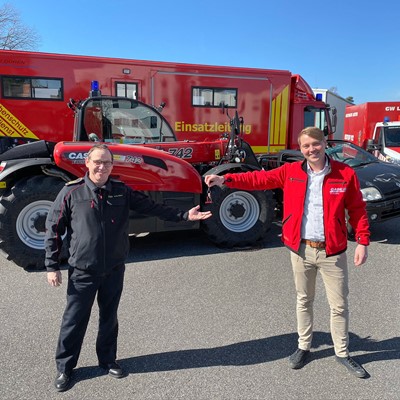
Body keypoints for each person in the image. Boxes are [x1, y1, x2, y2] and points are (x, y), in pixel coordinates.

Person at [205, 127, 370, 378]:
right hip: (301, 250)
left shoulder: (344, 174)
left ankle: (342, 352)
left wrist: (363, 241)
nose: (311, 149)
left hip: (332, 251)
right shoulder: (291, 172)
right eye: (306, 146)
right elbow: (259, 179)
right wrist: (226, 179)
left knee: (338, 305)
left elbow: (357, 209)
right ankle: (304, 347)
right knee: (304, 300)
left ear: (325, 143)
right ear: (301, 149)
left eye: (315, 144)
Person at [45, 143, 211, 392]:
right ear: (87, 163)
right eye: (98, 162)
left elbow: (153, 207)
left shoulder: (121, 191)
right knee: (74, 320)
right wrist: (51, 265)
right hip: (83, 271)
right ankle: (65, 368)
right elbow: (53, 228)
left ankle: (107, 360)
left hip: (113, 269)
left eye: (107, 163)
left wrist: (184, 216)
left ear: (112, 166)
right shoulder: (71, 192)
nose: (102, 167)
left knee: (109, 319)